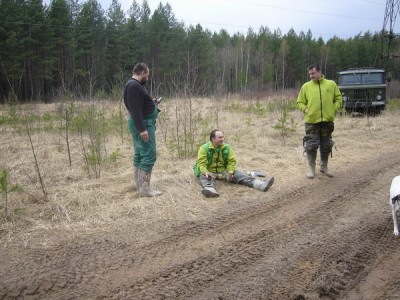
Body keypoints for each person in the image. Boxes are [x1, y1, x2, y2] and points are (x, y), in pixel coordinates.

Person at [194, 129, 274, 198]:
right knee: (205, 176)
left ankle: (261, 185)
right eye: (220, 137)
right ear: (213, 139)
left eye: (223, 137)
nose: (222, 139)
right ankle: (210, 191)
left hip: (223, 171)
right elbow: (201, 163)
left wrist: (230, 172)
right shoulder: (204, 148)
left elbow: (231, 161)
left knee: (240, 175)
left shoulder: (226, 147)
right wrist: (205, 171)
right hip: (209, 171)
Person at [296, 63, 342, 179]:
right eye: (309, 74)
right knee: (311, 145)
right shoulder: (306, 87)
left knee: (326, 145)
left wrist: (333, 108)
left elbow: (338, 98)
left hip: (327, 120)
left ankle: (324, 166)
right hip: (312, 121)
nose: (311, 76)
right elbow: (300, 102)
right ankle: (311, 168)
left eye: (313, 73)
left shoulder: (331, 84)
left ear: (319, 71)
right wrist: (305, 109)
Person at [124, 63, 162, 197]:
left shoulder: (134, 85)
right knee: (149, 154)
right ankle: (145, 189)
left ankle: (140, 186)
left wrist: (151, 103)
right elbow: (135, 109)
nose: (148, 77)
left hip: (141, 123)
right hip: (143, 125)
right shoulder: (134, 86)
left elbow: (139, 105)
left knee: (140, 154)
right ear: (143, 72)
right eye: (147, 75)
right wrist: (142, 129)